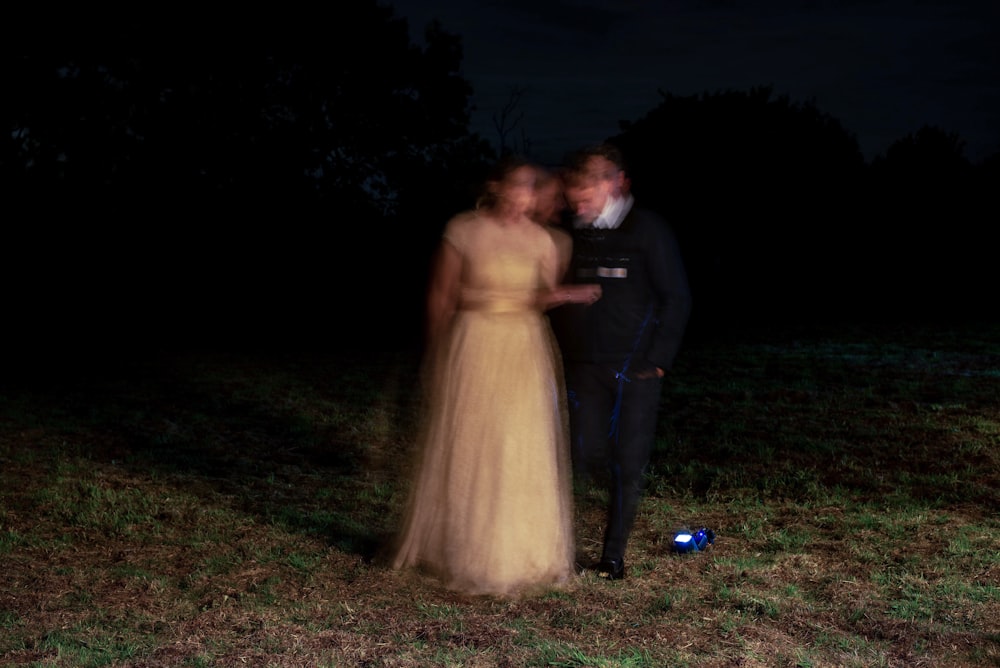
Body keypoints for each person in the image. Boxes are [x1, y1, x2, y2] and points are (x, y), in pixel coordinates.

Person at [390, 155, 602, 597]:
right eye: (520, 185)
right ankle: (465, 547)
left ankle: (521, 550)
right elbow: (441, 294)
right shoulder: (464, 231)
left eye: (533, 187)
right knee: (475, 439)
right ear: (498, 187)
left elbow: (539, 296)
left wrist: (564, 293)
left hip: (523, 345)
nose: (528, 194)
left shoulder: (544, 240)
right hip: (476, 339)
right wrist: (437, 350)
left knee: (518, 441)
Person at [550, 143, 691, 581]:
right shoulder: (575, 233)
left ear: (612, 182)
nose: (579, 201)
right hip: (585, 365)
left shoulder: (648, 229)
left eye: (587, 190)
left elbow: (677, 297)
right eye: (575, 193)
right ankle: (561, 547)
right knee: (584, 451)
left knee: (628, 461)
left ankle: (613, 555)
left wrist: (659, 361)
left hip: (637, 367)